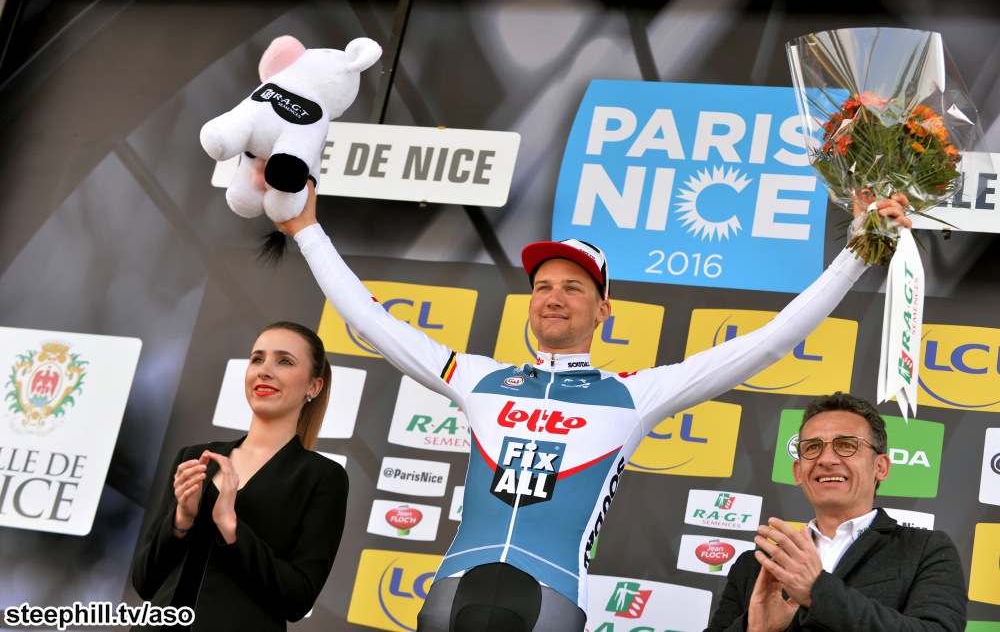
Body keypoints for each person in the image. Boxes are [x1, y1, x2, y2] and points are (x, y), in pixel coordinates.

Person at [273, 178, 912, 632]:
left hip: (548, 601)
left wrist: (857, 254)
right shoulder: (478, 378)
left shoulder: (633, 395)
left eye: (573, 287)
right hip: (452, 592)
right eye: (543, 286)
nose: (553, 297)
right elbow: (371, 321)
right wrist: (306, 230)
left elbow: (769, 342)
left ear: (603, 310)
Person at [130, 321, 349, 632]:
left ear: (313, 387)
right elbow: (144, 582)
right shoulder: (194, 457)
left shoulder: (322, 477)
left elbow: (298, 598)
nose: (264, 370)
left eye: (284, 361)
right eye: (257, 359)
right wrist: (181, 519)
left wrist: (232, 529)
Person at [704, 391, 967, 632]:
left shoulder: (924, 550)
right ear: (798, 472)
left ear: (880, 467)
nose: (826, 459)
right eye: (812, 447)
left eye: (846, 445)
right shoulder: (756, 565)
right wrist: (754, 629)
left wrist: (817, 592)